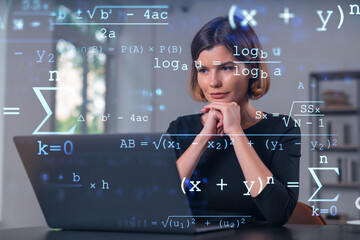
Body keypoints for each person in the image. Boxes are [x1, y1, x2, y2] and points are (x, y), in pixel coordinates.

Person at [166, 16, 301, 226]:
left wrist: (236, 133)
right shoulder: (180, 128)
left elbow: (278, 213)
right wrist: (203, 139)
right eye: (203, 70)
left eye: (227, 68)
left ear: (251, 69)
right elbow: (162, 202)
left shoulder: (282, 129)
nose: (213, 82)